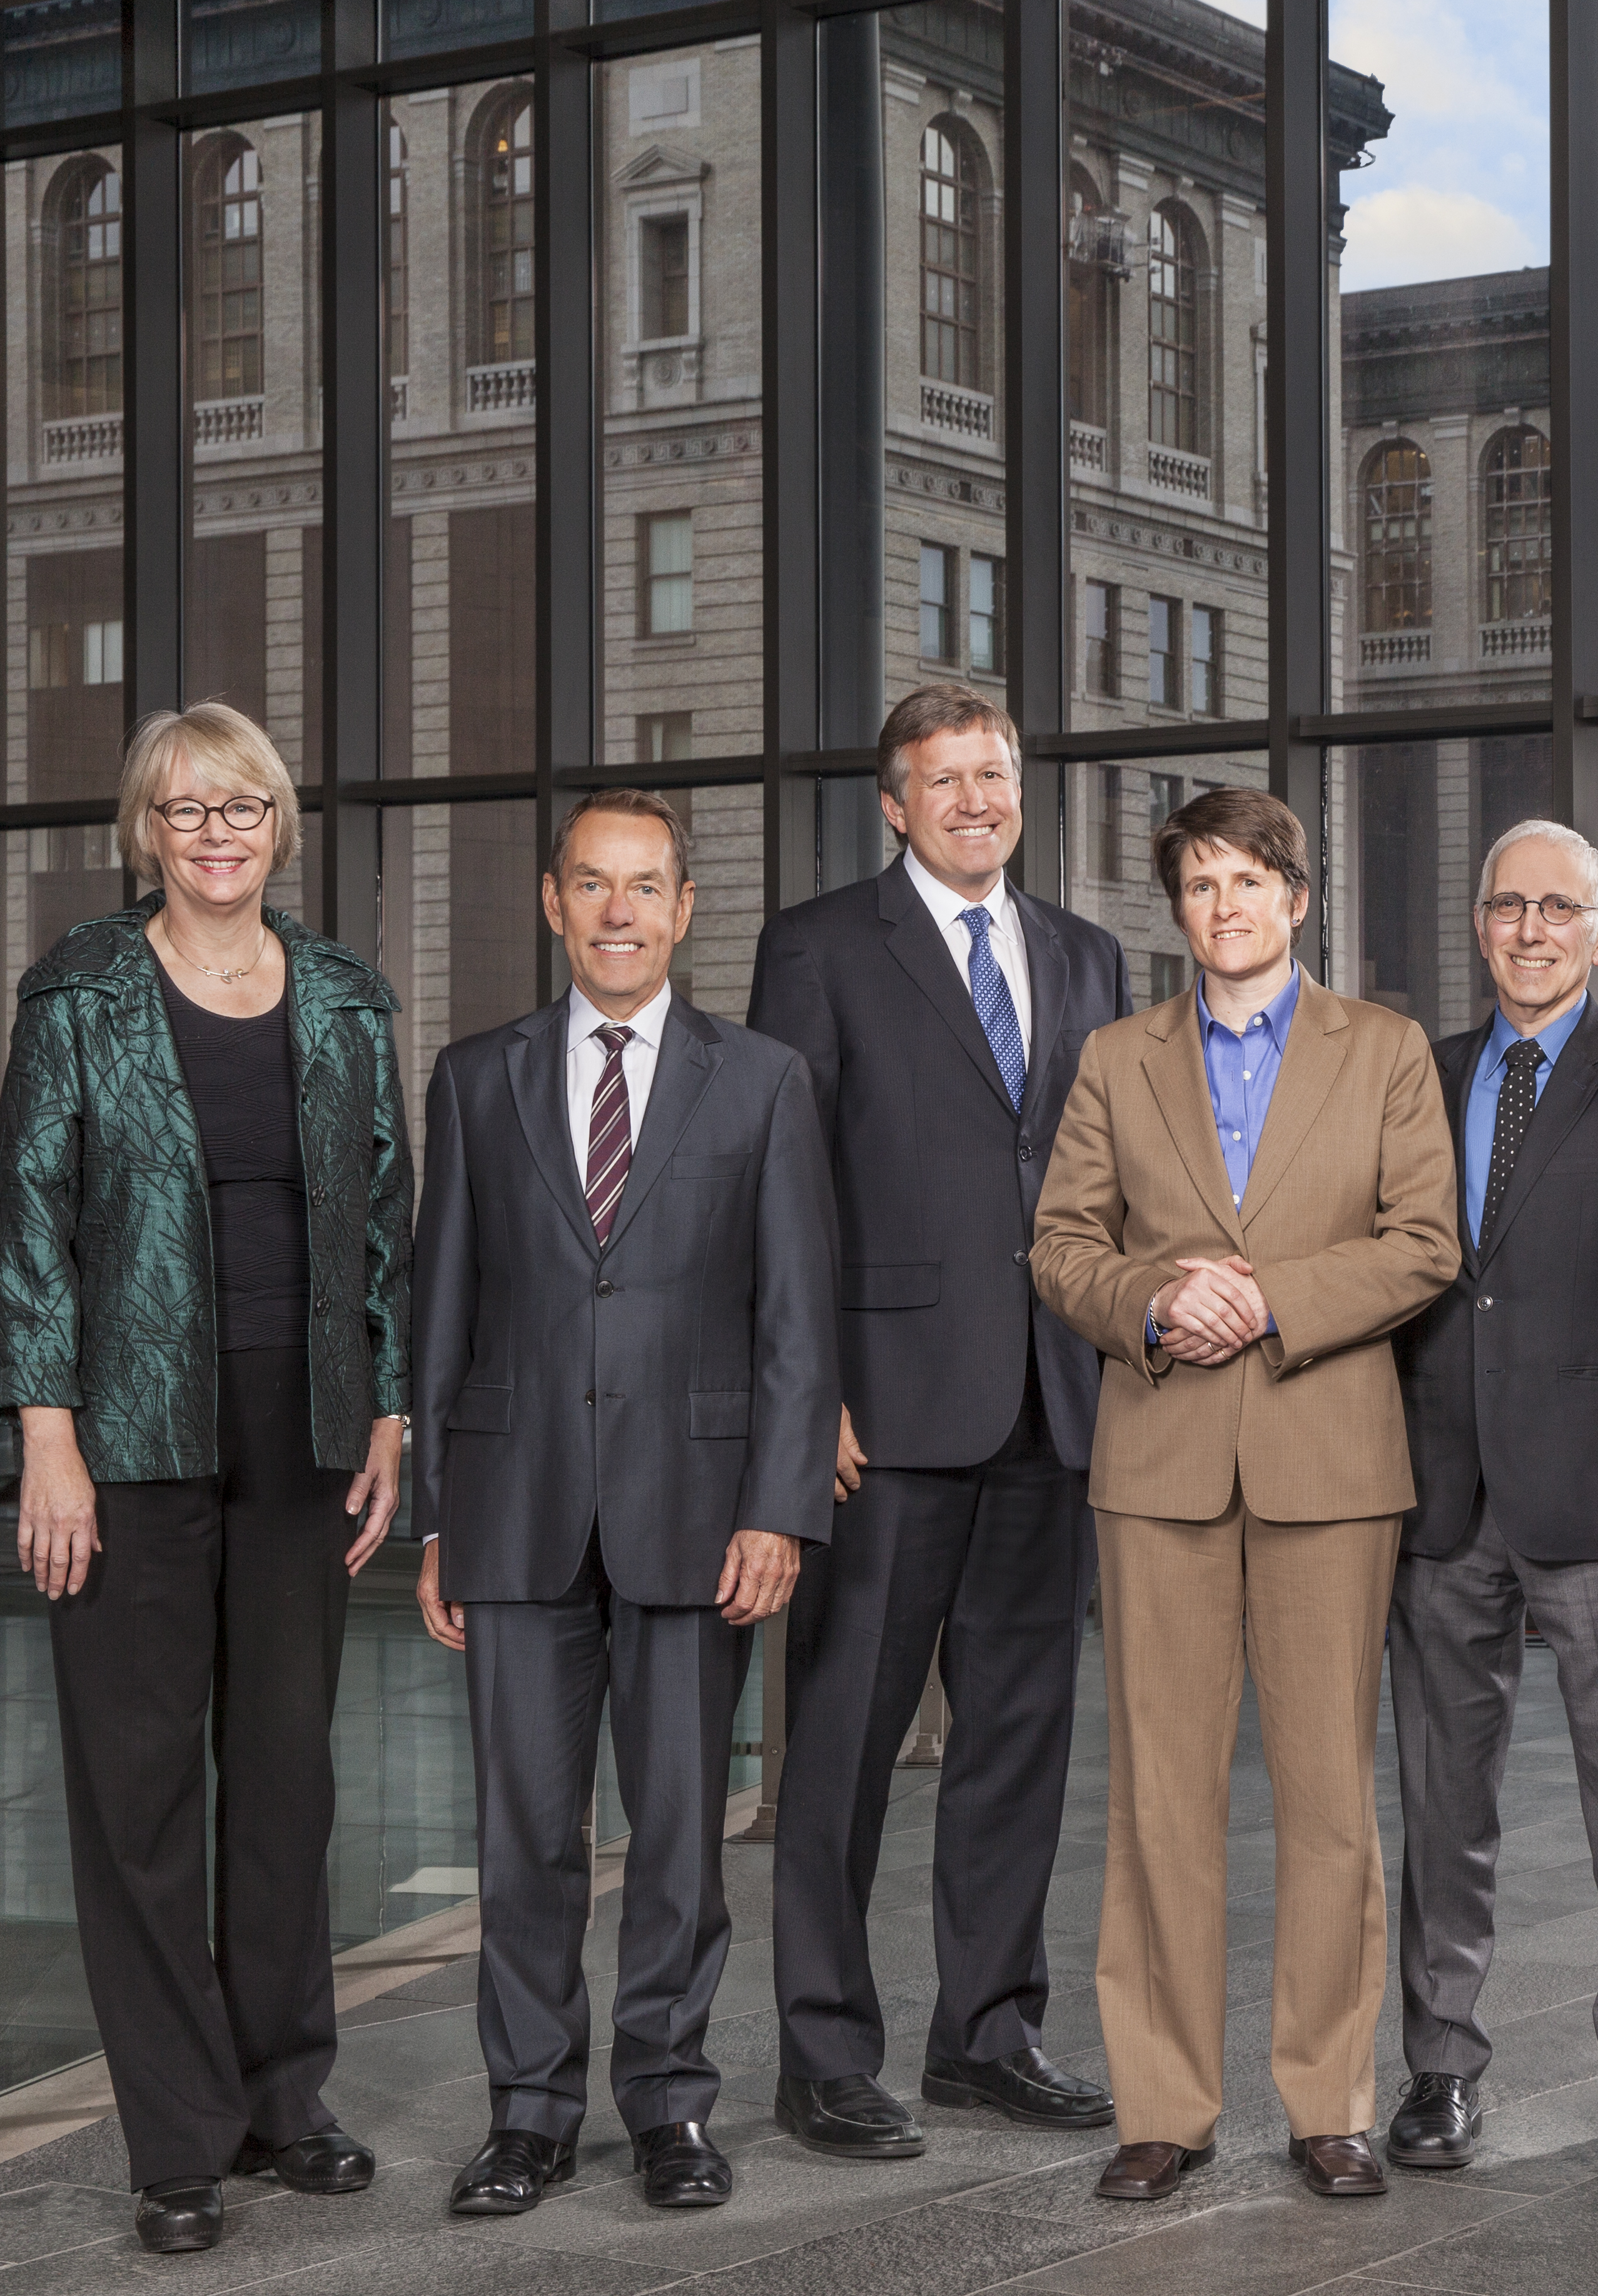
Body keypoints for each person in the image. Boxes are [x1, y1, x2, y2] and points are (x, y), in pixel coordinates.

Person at [0, 704, 412, 2256]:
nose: (216, 832)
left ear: (277, 824)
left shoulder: (350, 1000)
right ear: (145, 830)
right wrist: (48, 1432)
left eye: (242, 806)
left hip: (303, 1427)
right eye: (185, 809)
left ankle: (285, 2097)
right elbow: (29, 1215)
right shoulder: (80, 993)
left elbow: (383, 1227)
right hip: (130, 1430)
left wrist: (388, 1412)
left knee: (287, 1774)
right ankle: (178, 2135)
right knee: (142, 1787)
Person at [410, 789, 838, 2217]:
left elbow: (797, 1320)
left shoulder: (763, 1079)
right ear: (552, 903)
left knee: (676, 1836)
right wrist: (437, 1520)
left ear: (684, 907)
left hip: (699, 1512)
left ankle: (669, 2107)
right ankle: (528, 2114)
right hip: (519, 1511)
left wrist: (780, 1508)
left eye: (644, 886)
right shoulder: (478, 1079)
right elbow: (442, 1311)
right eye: (592, 884)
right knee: (521, 1840)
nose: (617, 911)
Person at [1030, 786, 1460, 2205]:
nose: (1226, 906)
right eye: (1200, 885)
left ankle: (1329, 2102)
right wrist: (1160, 1302)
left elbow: (1422, 1245)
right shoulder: (1115, 1057)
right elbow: (1064, 1245)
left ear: (1298, 895)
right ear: (1181, 911)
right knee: (1160, 1797)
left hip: (1328, 1461)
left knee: (1332, 1797)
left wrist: (1265, 1299)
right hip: (1158, 1465)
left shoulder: (1385, 1050)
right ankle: (1163, 2104)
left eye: (1249, 881)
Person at [749, 685, 1133, 2159]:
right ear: (895, 805)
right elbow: (784, 1183)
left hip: (1052, 1403)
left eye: (997, 773)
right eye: (946, 778)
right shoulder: (824, 947)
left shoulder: (1086, 957)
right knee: (840, 1747)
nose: (978, 797)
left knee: (1019, 1744)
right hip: (883, 1413)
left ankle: (988, 2033)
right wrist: (810, 1390)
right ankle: (825, 2054)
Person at [1382, 821, 1598, 2180]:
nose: (1530, 929)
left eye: (1558, 909)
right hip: (1440, 1495)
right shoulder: (1424, 1074)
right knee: (1439, 1802)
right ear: (1481, 927)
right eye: (1507, 906)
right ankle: (1440, 2068)